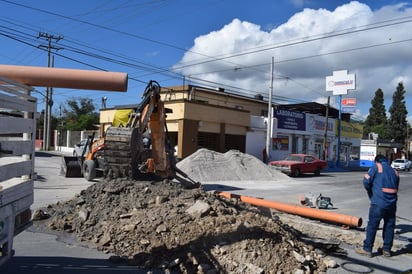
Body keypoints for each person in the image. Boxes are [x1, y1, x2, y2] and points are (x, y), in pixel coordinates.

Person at [355, 154, 400, 257]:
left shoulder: (376, 167)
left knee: (372, 225)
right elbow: (396, 187)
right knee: (389, 226)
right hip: (392, 204)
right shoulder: (395, 171)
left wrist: (371, 193)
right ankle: (387, 250)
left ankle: (367, 249)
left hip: (379, 203)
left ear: (377, 161)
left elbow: (366, 181)